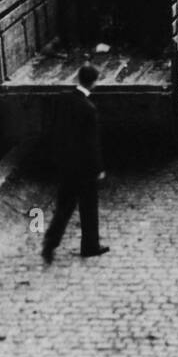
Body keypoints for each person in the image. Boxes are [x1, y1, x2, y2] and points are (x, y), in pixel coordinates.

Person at [41, 64, 109, 263]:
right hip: (84, 170)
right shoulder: (89, 109)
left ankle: (50, 243)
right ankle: (90, 246)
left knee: (64, 207)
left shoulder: (64, 100)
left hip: (66, 166)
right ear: (94, 82)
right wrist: (98, 169)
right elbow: (91, 144)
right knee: (89, 208)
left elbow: (55, 131)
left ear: (78, 79)